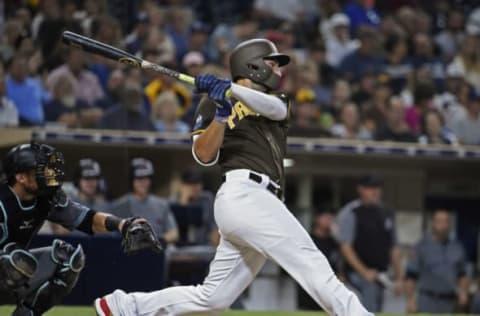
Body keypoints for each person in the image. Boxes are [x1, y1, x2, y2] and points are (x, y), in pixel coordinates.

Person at [95, 38, 372, 316]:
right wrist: (220, 115)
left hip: (259, 202)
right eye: (272, 63)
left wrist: (230, 90)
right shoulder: (211, 103)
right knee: (312, 264)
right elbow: (203, 154)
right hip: (243, 194)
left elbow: (276, 110)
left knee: (212, 299)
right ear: (251, 65)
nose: (278, 70)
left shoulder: (274, 100)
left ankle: (123, 306)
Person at [0, 143, 161, 316]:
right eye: (40, 171)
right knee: (16, 260)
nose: (48, 175)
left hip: (12, 270)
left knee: (67, 259)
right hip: (7, 266)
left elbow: (86, 218)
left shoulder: (46, 198)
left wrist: (123, 225)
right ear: (21, 177)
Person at [336, 174, 402, 312]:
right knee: (365, 310)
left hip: (381, 275)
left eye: (377, 187)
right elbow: (345, 247)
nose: (375, 191)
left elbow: (393, 247)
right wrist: (364, 272)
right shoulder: (351, 212)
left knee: (377, 310)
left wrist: (399, 277)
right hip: (357, 275)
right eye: (370, 187)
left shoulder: (386, 213)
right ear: (360, 189)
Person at [405, 209, 469, 314]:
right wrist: (410, 301)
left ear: (449, 224)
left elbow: (462, 274)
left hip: (449, 302)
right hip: (426, 300)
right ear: (433, 223)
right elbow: (410, 276)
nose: (442, 225)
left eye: (445, 221)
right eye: (438, 221)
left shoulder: (457, 248)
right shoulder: (421, 246)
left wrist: (463, 292)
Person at [112, 157, 179, 246]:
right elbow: (112, 235)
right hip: (130, 251)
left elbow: (174, 233)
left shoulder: (162, 204)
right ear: (132, 180)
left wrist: (156, 241)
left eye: (146, 178)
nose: (143, 182)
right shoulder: (120, 205)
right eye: (139, 178)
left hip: (157, 250)